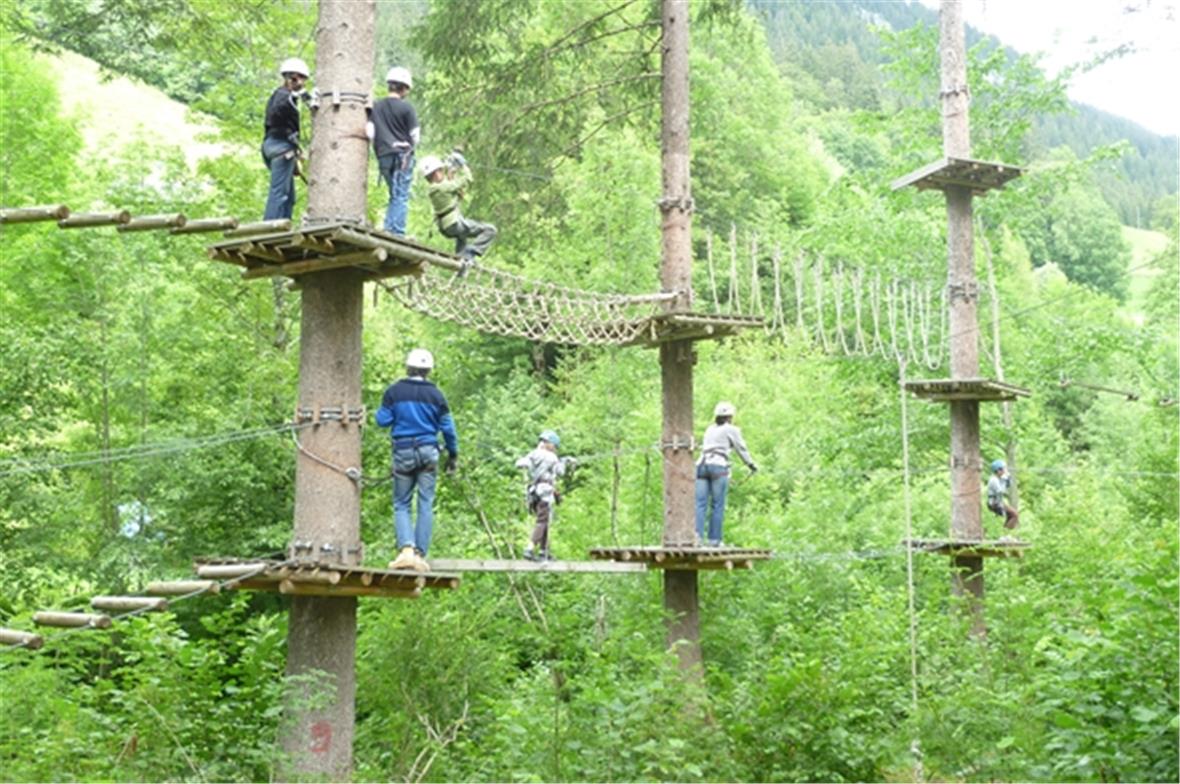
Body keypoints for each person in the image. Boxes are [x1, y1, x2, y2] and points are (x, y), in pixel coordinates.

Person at [375, 348, 459, 571]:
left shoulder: (394, 392)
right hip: (429, 452)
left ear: (408, 367)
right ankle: (420, 555)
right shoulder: (437, 396)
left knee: (401, 503)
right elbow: (449, 429)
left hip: (403, 452)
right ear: (428, 371)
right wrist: (453, 454)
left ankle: (406, 551)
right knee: (425, 503)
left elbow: (382, 420)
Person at [419, 151, 497, 272]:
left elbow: (456, 194)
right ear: (435, 173)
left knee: (462, 236)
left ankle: (461, 264)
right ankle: (469, 253)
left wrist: (451, 175)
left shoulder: (435, 189)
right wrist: (463, 165)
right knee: (490, 230)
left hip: (447, 226)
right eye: (441, 171)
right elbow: (466, 180)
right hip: (453, 224)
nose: (443, 173)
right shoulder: (440, 188)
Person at [695, 401, 757, 547]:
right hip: (718, 467)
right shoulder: (731, 429)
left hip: (701, 466)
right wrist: (751, 465)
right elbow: (741, 448)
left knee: (700, 504)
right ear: (730, 416)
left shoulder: (709, 429)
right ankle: (714, 540)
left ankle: (696, 537)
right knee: (717, 504)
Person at [367, 66, 419, 236]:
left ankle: (390, 227)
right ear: (404, 88)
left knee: (394, 194)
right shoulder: (407, 108)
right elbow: (415, 136)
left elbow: (370, 132)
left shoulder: (376, 107)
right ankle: (396, 232)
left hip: (383, 155)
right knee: (401, 195)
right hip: (402, 155)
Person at [262, 57, 311, 220]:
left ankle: (283, 225)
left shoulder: (278, 95)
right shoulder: (285, 97)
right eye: (300, 79)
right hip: (281, 148)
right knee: (279, 194)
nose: (302, 83)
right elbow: (283, 109)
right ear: (294, 77)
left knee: (289, 196)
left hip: (271, 146)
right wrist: (303, 96)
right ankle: (270, 230)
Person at [515, 430, 573, 561]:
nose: (555, 449)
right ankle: (530, 548)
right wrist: (564, 462)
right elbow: (560, 472)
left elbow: (520, 463)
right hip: (545, 493)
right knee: (542, 521)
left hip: (535, 492)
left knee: (545, 521)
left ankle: (543, 551)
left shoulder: (533, 454)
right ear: (549, 444)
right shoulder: (550, 456)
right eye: (554, 446)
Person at [986, 459, 1019, 531]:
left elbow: (1008, 485)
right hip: (994, 503)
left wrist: (1008, 479)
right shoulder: (993, 480)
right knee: (1014, 515)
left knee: (1012, 515)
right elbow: (1000, 491)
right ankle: (1006, 532)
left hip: (998, 502)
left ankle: (1005, 530)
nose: (1004, 471)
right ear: (998, 471)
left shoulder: (999, 478)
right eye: (1003, 469)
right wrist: (1000, 507)